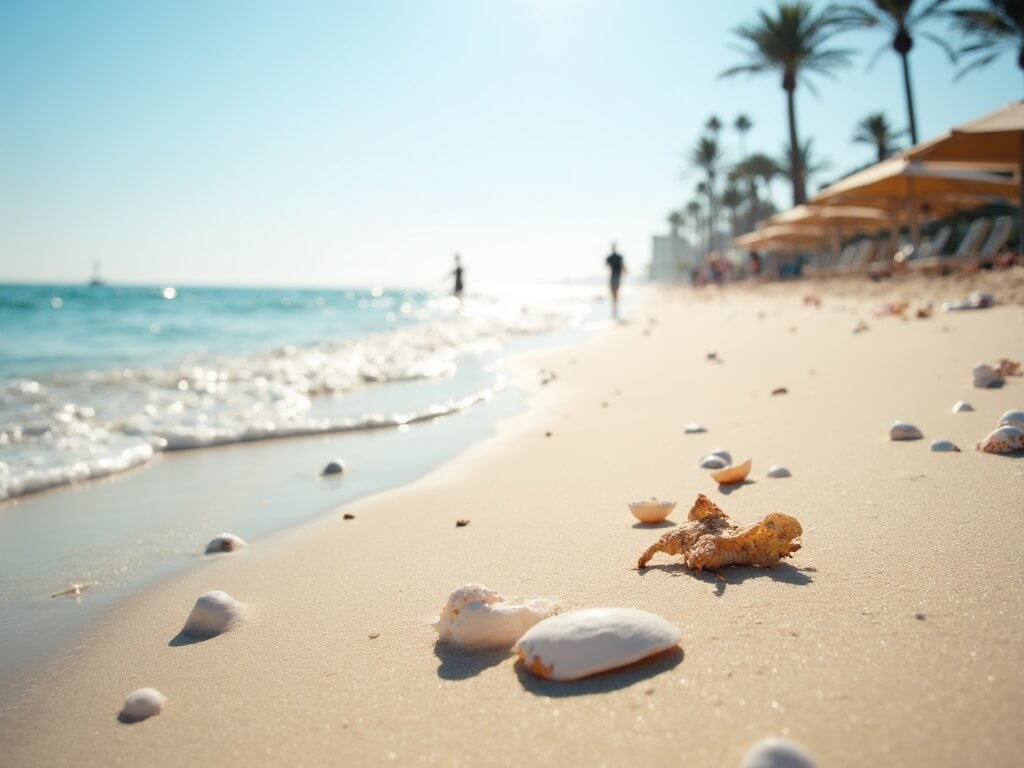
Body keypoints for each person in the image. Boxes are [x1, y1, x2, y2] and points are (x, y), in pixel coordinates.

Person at [605, 243, 626, 319]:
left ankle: (614, 311)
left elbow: (606, 266)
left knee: (613, 295)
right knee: (615, 295)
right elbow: (623, 267)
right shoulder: (619, 257)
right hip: (617, 278)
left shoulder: (609, 257)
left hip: (612, 278)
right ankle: (615, 310)